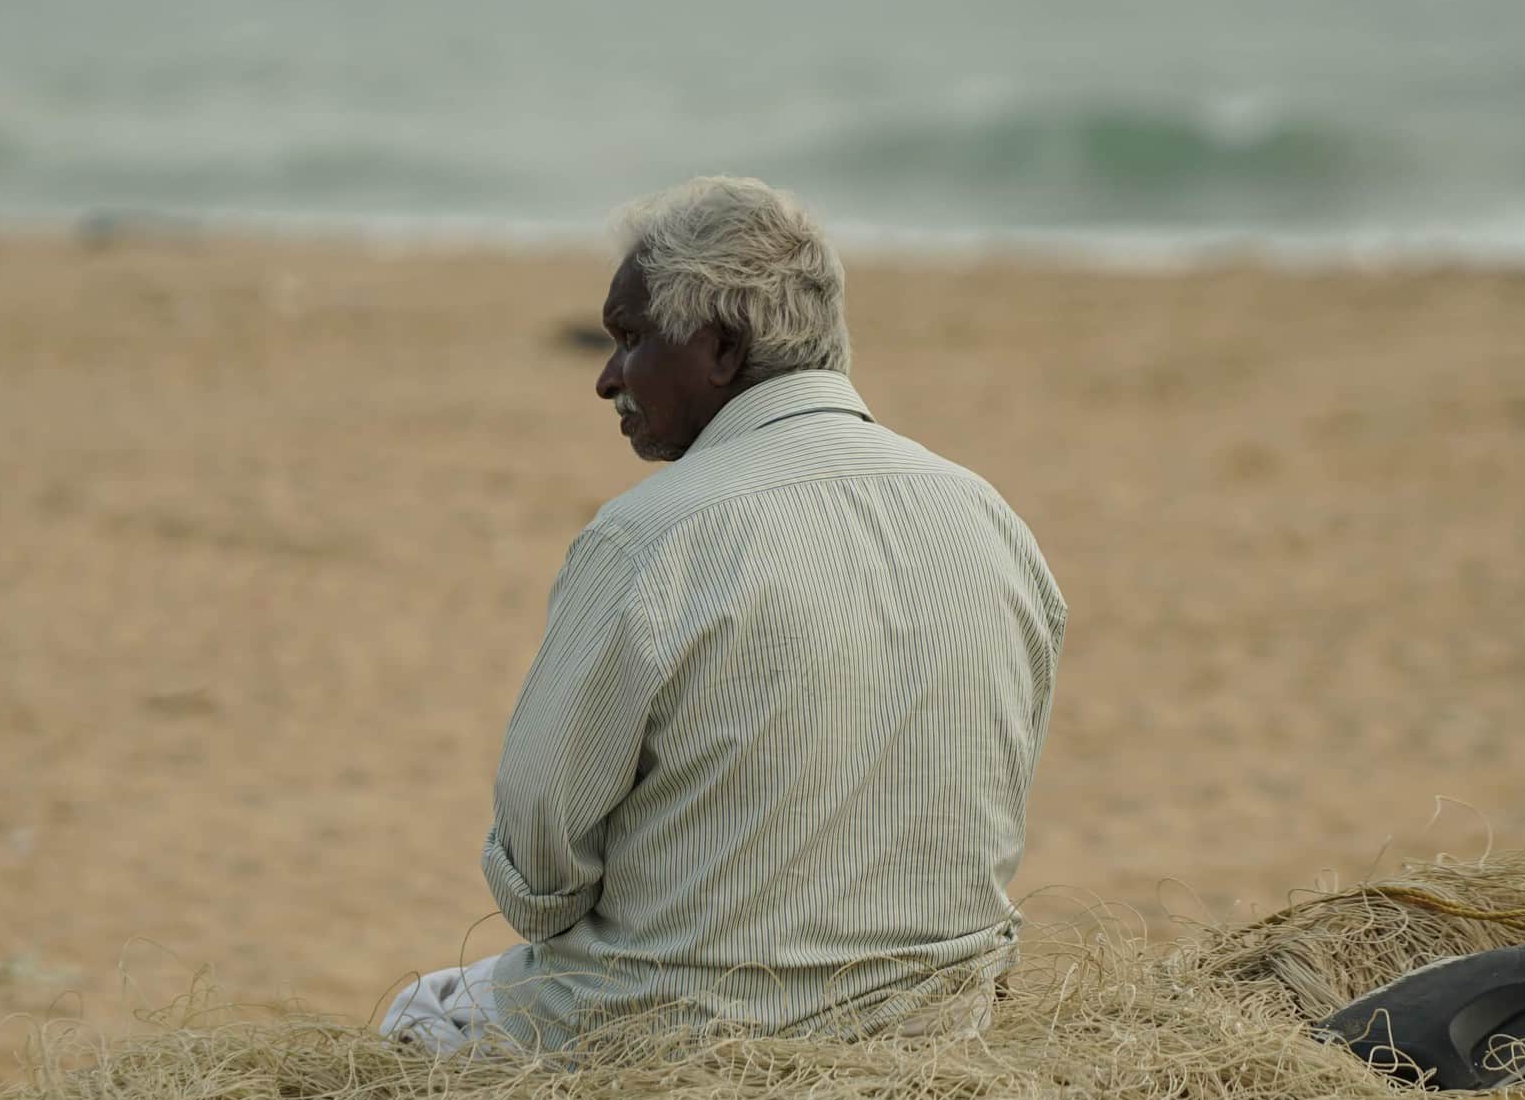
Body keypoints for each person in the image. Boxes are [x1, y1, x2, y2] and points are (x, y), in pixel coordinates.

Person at [382, 176, 1066, 1054]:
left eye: (630, 337)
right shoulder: (990, 518)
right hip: (932, 1021)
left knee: (420, 1012)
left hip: (672, 1030)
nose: (606, 377)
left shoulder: (649, 537)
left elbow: (538, 878)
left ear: (721, 347)